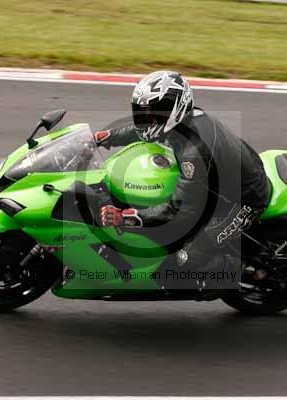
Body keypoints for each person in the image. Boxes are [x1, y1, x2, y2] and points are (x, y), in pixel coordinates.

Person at [94, 70, 271, 295]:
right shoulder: (184, 120)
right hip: (226, 179)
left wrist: (127, 217)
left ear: (173, 108)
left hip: (242, 200)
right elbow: (144, 131)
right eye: (142, 112)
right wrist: (106, 137)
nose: (146, 119)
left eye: (151, 113)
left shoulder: (193, 152)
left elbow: (180, 210)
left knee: (183, 260)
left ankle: (234, 273)